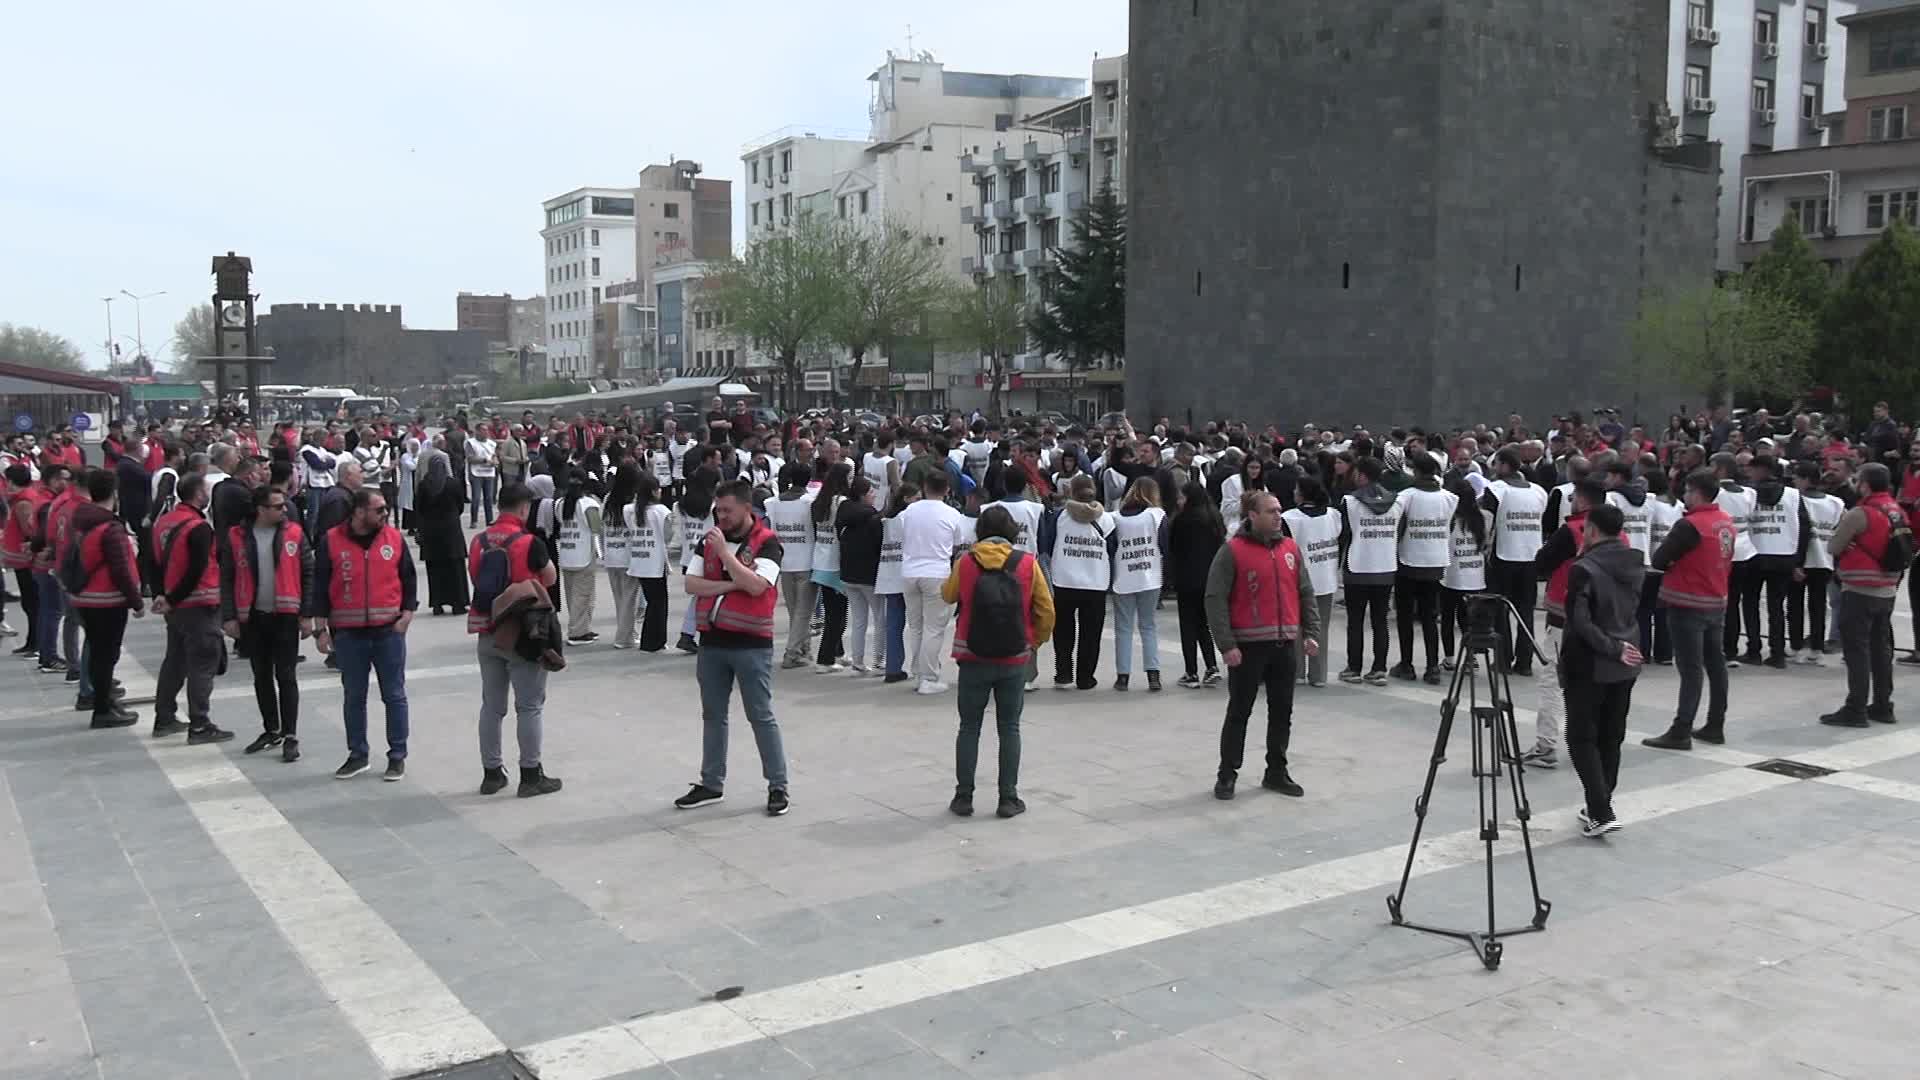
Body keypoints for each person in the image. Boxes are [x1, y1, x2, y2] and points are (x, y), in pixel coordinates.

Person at [674, 480, 790, 816]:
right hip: (712, 643)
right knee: (713, 716)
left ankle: (778, 785)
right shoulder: (708, 540)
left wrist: (726, 555)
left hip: (752, 645)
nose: (721, 516)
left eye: (727, 510)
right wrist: (730, 584)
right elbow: (691, 584)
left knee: (761, 716)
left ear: (746, 508)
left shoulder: (767, 543)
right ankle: (711, 783)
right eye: (718, 510)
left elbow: (757, 586)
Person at [942, 506, 1056, 818]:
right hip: (1014, 657)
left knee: (969, 727)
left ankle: (963, 797)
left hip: (972, 655)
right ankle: (1008, 798)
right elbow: (1046, 610)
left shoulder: (966, 562)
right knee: (1009, 727)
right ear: (1011, 531)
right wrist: (1034, 642)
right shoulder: (1027, 563)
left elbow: (948, 595)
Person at [1205, 491, 1320, 800]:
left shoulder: (1290, 548)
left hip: (1284, 646)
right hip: (1248, 648)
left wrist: (1311, 632)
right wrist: (1226, 644)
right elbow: (1215, 599)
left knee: (1282, 712)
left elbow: (1305, 592)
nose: (1277, 516)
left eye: (1279, 510)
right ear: (1252, 516)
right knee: (1239, 711)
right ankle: (1227, 773)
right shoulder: (1233, 551)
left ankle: (1276, 772)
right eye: (1270, 511)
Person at [312, 487, 418, 780]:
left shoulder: (393, 538)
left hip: (388, 632)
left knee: (394, 695)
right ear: (359, 511)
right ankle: (357, 755)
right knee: (353, 696)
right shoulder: (332, 540)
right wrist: (320, 630)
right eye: (379, 509)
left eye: (386, 508)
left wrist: (407, 615)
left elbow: (409, 579)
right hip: (348, 635)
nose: (386, 514)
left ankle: (397, 756)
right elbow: (320, 587)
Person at [468, 482, 564, 797]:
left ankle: (491, 774)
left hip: (487, 632)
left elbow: (475, 577)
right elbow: (550, 577)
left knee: (491, 706)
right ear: (524, 508)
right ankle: (531, 775)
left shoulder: (479, 541)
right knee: (529, 706)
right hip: (524, 635)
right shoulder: (529, 542)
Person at [1559, 502, 1646, 836]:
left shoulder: (1584, 568)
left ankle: (1600, 809)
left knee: (1581, 737)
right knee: (1611, 735)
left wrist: (1611, 647)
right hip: (1627, 657)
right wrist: (1621, 647)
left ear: (1592, 530)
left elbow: (1580, 622)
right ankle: (1600, 803)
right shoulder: (1634, 562)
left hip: (1591, 661)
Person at [1643, 470, 1736, 751]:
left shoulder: (1690, 525)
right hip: (1716, 600)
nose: (1684, 495)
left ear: (1696, 492)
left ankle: (1681, 729)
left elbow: (1660, 559)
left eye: (1686, 491)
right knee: (1715, 664)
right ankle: (1715, 723)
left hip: (1688, 602)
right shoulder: (1725, 521)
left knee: (1691, 669)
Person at [220, 484, 312, 761]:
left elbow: (309, 573)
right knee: (261, 676)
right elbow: (227, 577)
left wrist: (307, 614)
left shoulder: (294, 533)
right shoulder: (236, 536)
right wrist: (229, 616)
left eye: (284, 505)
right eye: (278, 506)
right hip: (253, 616)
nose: (285, 510)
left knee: (286, 675)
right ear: (260, 509)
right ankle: (271, 729)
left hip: (285, 616)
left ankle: (291, 734)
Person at [149, 473, 235, 744]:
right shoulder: (198, 527)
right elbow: (197, 569)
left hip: (175, 607)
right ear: (198, 494)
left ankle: (164, 716)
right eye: (206, 490)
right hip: (199, 603)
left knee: (175, 661)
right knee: (202, 665)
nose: (208, 494)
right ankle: (200, 724)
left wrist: (163, 595)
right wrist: (174, 597)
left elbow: (152, 561)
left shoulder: (164, 522)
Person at [1821, 462, 1907, 727]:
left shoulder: (1860, 513)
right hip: (1887, 589)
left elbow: (1834, 546)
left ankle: (1855, 708)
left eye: (1858, 480)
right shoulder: (1896, 510)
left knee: (1857, 650)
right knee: (1881, 649)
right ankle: (1882, 705)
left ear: (1865, 485)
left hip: (1860, 588)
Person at [1531, 480, 1605, 769]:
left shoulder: (1572, 531)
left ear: (1583, 501)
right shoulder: (1617, 532)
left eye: (1574, 498)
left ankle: (1546, 745)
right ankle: (1590, 743)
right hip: (1602, 618)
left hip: (1565, 616)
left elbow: (1541, 563)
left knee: (1552, 679)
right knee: (1591, 682)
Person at [66, 468, 143, 728]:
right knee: (106, 655)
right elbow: (120, 569)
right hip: (107, 598)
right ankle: (102, 709)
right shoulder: (110, 527)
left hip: (85, 595)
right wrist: (136, 601)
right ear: (114, 493)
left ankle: (106, 701)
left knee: (98, 652)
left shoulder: (81, 520)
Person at [1038, 474, 1117, 691]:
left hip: (1064, 580)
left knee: (1063, 630)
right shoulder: (1107, 519)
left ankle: (1064, 673)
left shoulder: (1060, 516)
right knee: (1091, 633)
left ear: (1072, 492)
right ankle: (1086, 677)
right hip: (1096, 582)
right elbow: (1112, 549)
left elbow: (1048, 544)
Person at [899, 470, 970, 694]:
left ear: (924, 487)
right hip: (936, 572)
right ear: (947, 490)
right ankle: (928, 677)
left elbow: (902, 534)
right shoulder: (953, 514)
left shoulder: (909, 511)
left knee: (916, 626)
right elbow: (958, 542)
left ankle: (918, 673)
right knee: (934, 628)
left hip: (909, 571)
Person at [1479, 448, 1549, 674]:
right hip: (1531, 556)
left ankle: (1503, 658)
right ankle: (1525, 661)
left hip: (1504, 555)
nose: (1494, 469)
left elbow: (1485, 518)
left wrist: (1483, 546)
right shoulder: (1539, 491)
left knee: (1501, 609)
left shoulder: (1497, 489)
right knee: (1525, 610)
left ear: (1504, 466)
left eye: (1496, 464)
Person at [1391, 452, 1455, 684]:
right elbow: (1449, 526)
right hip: (1435, 562)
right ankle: (1432, 667)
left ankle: (1407, 664)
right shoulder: (1449, 498)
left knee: (1405, 616)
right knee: (1430, 616)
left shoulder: (1406, 496)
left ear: (1415, 471)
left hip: (1408, 561)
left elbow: (1397, 528)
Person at [1744, 453, 1810, 668]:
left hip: (1753, 554)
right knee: (1776, 607)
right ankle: (1778, 653)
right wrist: (1798, 560)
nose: (1749, 473)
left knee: (1751, 604)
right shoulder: (1793, 494)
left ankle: (1753, 650)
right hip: (1784, 555)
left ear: (1761, 470)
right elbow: (1804, 528)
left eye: (1752, 468)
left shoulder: (1749, 493)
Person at [1339, 456, 1400, 685]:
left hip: (1357, 566)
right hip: (1385, 566)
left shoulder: (1349, 501)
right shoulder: (1396, 501)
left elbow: (1343, 533)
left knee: (1355, 621)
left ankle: (1354, 668)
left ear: (1362, 475)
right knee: (1380, 620)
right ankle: (1379, 669)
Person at [1109, 477, 1168, 692]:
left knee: (1123, 628)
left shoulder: (1115, 517)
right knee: (1148, 626)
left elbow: (1111, 547)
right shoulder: (1156, 515)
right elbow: (1164, 545)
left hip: (1123, 576)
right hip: (1150, 575)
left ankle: (1123, 676)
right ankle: (1153, 674)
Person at [1711, 452, 1761, 666]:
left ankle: (1727, 649)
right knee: (1736, 602)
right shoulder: (1749, 493)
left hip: (1723, 551)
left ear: (1721, 469)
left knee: (1725, 603)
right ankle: (1738, 648)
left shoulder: (1717, 493)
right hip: (1746, 550)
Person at [1792, 460, 1843, 666]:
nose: (1794, 481)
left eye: (1796, 477)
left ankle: (1796, 646)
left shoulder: (1796, 500)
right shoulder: (1836, 502)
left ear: (1805, 479)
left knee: (1795, 605)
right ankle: (1817, 648)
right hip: (1825, 559)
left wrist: (1796, 562)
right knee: (1818, 605)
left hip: (1802, 559)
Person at [413, 439, 470, 617]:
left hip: (430, 531)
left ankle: (437, 604)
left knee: (435, 568)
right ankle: (458, 603)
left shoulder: (424, 485)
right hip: (451, 530)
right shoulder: (453, 484)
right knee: (455, 568)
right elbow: (460, 506)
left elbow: (419, 508)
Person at [1439, 475, 1492, 665]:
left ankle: (1450, 658)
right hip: (1475, 576)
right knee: (1468, 620)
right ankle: (1471, 657)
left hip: (1452, 576)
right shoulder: (1484, 518)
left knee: (1448, 618)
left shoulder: (1450, 520)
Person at [838, 476, 885, 676]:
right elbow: (879, 545)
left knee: (859, 619)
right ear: (863, 495)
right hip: (869, 574)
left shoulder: (843, 512)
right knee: (880, 618)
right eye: (871, 492)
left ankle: (857, 661)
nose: (874, 495)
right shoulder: (872, 518)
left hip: (848, 573)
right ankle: (879, 661)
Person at [809, 463, 852, 672]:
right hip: (835, 563)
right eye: (850, 478)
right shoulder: (841, 502)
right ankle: (824, 660)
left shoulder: (820, 500)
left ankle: (838, 652)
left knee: (833, 611)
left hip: (820, 561)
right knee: (837, 615)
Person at [3, 463, 49, 658]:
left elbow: (29, 530)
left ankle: (36, 643)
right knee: (30, 603)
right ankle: (32, 642)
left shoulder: (23, 502)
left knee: (32, 602)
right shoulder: (24, 498)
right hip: (23, 560)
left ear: (12, 482)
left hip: (26, 560)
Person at [552, 468, 603, 645]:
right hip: (584, 554)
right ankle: (577, 632)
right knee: (583, 596)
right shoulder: (588, 504)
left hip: (567, 554)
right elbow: (596, 527)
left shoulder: (560, 503)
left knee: (573, 595)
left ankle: (584, 628)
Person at [624, 472, 673, 652]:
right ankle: (655, 641)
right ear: (653, 491)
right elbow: (668, 535)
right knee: (659, 603)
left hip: (639, 560)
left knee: (652, 601)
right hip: (655, 562)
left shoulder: (630, 510)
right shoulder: (661, 511)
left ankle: (649, 640)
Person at [875, 483, 916, 684]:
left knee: (893, 625)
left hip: (889, 575)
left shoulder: (886, 519)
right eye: (917, 498)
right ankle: (920, 668)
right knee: (917, 625)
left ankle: (893, 668)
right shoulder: (909, 518)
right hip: (908, 574)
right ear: (906, 499)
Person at [601, 464, 640, 648]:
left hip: (611, 553)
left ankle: (627, 631)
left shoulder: (609, 498)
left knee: (620, 598)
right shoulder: (633, 500)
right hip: (628, 555)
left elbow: (602, 524)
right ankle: (624, 637)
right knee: (630, 599)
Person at [466, 425, 499, 527]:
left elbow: (494, 455)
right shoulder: (471, 443)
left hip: (489, 473)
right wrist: (484, 460)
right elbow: (470, 458)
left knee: (489, 497)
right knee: (476, 497)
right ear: (477, 431)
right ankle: (474, 520)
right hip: (476, 473)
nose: (486, 432)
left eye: (486, 430)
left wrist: (495, 461)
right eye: (483, 430)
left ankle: (489, 520)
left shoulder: (492, 443)